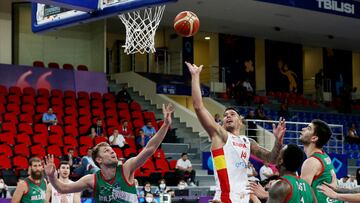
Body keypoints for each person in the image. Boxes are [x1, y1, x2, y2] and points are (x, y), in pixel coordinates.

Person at [186, 62, 285, 203]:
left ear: (241, 121)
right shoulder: (220, 135)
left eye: (232, 114)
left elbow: (272, 159)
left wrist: (278, 142)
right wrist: (195, 77)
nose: (228, 116)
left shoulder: (248, 142)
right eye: (225, 115)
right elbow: (198, 106)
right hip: (225, 199)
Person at [44, 103, 174, 202]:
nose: (113, 152)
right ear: (99, 160)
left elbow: (149, 149)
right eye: (107, 151)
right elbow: (63, 188)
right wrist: (51, 177)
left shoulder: (126, 168)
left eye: (112, 150)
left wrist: (165, 125)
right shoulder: (92, 179)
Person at [249, 144, 317, 203]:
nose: (276, 156)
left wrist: (254, 198)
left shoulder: (281, 186)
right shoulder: (309, 189)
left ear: (281, 160)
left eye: (279, 154)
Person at [299, 119, 341, 203]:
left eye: (309, 128)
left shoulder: (311, 162)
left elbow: (302, 195)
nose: (303, 129)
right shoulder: (324, 156)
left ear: (314, 138)